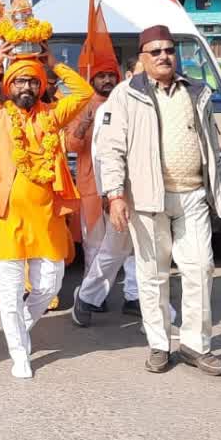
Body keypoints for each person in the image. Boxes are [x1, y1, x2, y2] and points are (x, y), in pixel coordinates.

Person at [97, 24, 221, 376]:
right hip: (146, 199)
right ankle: (159, 344)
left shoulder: (197, 92)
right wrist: (114, 195)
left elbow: (212, 147)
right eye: (154, 51)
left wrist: (218, 189)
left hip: (192, 195)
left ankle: (195, 345)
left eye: (168, 50)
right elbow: (111, 150)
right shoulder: (126, 96)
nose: (163, 56)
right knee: (153, 274)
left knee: (200, 267)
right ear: (142, 58)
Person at [0, 45, 93, 379]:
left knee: (50, 284)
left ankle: (19, 323)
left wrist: (52, 64)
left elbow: (84, 92)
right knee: (8, 291)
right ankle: (19, 353)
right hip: (5, 219)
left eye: (32, 82)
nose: (26, 88)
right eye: (19, 82)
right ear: (8, 86)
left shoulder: (52, 115)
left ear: (41, 86)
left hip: (45, 218)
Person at [64, 56, 124, 325]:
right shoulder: (83, 106)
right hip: (90, 185)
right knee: (94, 244)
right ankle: (92, 297)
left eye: (111, 75)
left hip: (121, 187)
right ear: (92, 80)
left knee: (121, 244)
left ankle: (100, 294)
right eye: (102, 76)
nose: (107, 80)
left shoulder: (124, 104)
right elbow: (70, 145)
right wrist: (86, 120)